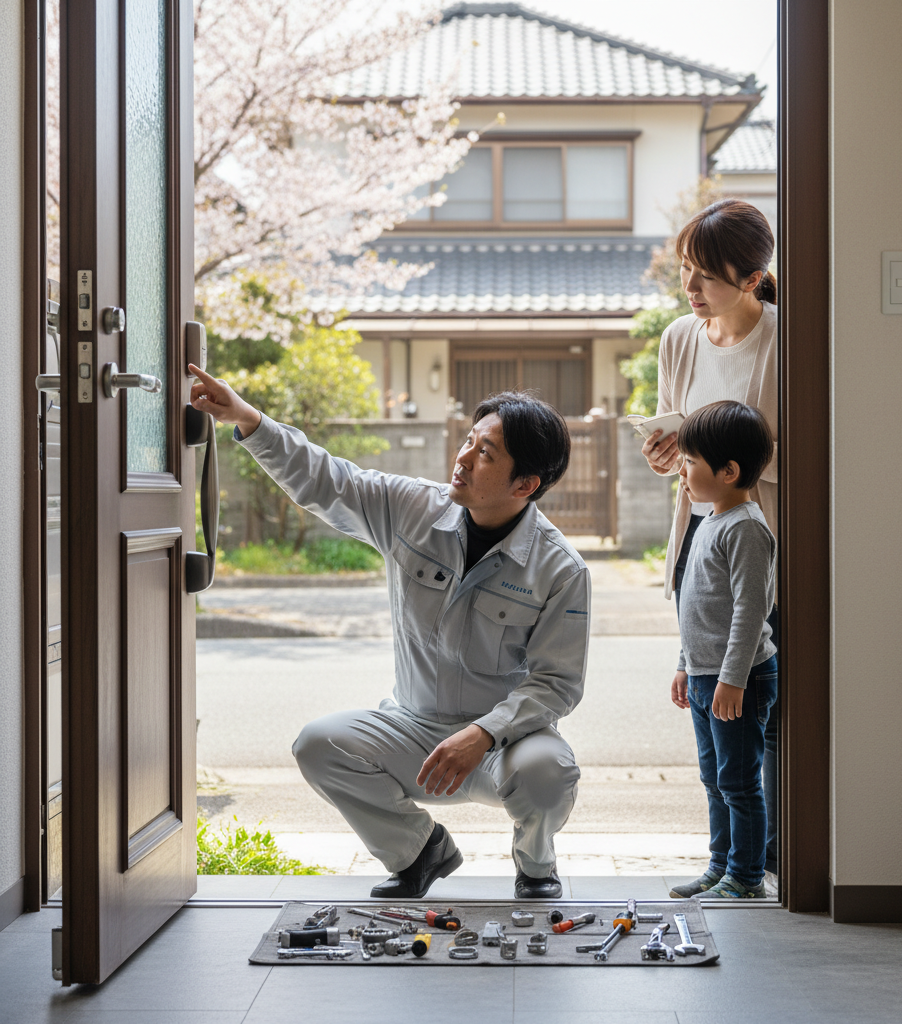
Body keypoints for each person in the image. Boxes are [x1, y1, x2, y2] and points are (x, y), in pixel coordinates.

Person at [188, 367, 591, 900]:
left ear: (525, 484)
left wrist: (484, 733)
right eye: (469, 441)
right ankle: (419, 852)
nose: (463, 458)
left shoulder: (560, 569)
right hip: (414, 731)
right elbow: (328, 479)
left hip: (502, 745)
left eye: (486, 453)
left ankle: (536, 865)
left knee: (549, 772)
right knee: (319, 743)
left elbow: (556, 684)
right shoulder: (413, 509)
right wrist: (245, 418)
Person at [639, 198, 780, 896]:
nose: (690, 289)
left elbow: (793, 455)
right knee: (714, 735)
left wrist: (730, 461)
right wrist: (671, 454)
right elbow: (681, 454)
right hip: (698, 525)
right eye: (687, 272)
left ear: (753, 278)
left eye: (706, 277)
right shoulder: (679, 339)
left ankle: (761, 864)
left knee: (755, 713)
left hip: (761, 528)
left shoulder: (786, 338)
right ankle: (729, 863)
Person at [670, 400, 777, 898]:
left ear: (729, 471)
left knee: (738, 781)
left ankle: (746, 877)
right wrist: (684, 666)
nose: (682, 470)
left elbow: (750, 612)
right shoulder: (709, 520)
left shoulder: (746, 528)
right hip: (706, 673)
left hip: (739, 676)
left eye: (690, 461)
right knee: (714, 778)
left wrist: (733, 679)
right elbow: (695, 607)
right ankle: (720, 864)